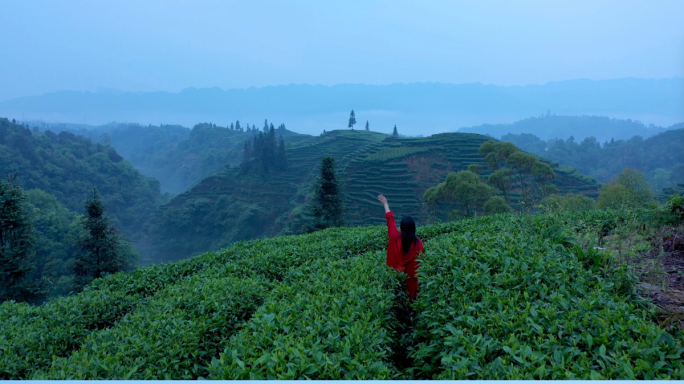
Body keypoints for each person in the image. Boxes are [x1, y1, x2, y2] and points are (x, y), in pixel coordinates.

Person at [378, 194, 423, 300]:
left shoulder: (394, 236)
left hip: (396, 275)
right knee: (411, 298)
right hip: (411, 278)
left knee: (396, 296)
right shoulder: (418, 242)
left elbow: (390, 219)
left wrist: (385, 203)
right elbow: (421, 260)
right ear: (413, 228)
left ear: (401, 227)